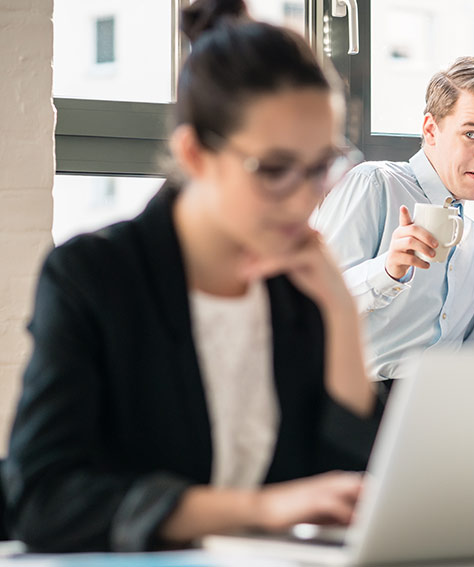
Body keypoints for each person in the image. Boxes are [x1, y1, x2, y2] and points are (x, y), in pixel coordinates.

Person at [2, 0, 382, 552]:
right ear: (196, 154)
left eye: (321, 166)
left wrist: (341, 315)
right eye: (274, 170)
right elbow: (42, 498)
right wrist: (257, 509)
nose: (304, 198)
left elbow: (343, 490)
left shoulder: (295, 286)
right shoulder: (96, 276)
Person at [313, 57, 474, 388]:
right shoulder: (375, 184)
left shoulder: (473, 238)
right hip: (360, 403)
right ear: (430, 130)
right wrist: (388, 270)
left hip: (444, 410)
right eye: (471, 134)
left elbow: (471, 351)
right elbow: (313, 303)